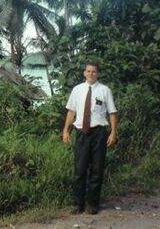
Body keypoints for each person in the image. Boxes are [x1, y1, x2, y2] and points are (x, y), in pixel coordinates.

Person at [62, 61, 118, 215]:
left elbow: (112, 113)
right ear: (84, 73)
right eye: (88, 71)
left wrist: (113, 133)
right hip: (81, 133)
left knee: (96, 169)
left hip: (99, 133)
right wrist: (66, 130)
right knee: (79, 170)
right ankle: (77, 204)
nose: (91, 74)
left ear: (98, 74)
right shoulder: (77, 90)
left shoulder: (105, 91)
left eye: (94, 71)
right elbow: (71, 112)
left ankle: (92, 204)